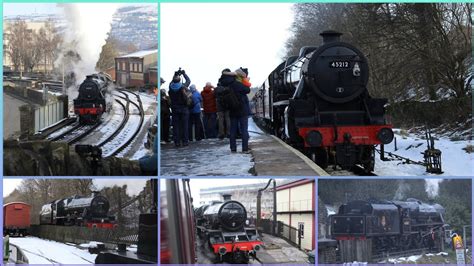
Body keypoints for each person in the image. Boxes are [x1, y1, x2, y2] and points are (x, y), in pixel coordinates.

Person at [218, 69, 251, 153]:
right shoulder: (239, 85)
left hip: (232, 110)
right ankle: (245, 148)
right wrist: (245, 81)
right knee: (244, 130)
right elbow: (248, 90)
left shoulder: (228, 85)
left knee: (233, 130)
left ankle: (233, 148)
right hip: (242, 110)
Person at [168, 69, 191, 147]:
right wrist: (184, 73)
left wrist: (175, 74)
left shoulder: (171, 87)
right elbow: (188, 80)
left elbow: (172, 82)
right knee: (185, 125)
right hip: (184, 108)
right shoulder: (183, 87)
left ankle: (177, 142)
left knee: (176, 126)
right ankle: (185, 141)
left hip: (174, 109)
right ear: (179, 80)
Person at [215, 69, 231, 140]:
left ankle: (221, 133)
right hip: (227, 105)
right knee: (228, 119)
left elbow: (215, 96)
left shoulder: (216, 89)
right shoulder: (228, 86)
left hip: (219, 106)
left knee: (220, 120)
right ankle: (229, 133)